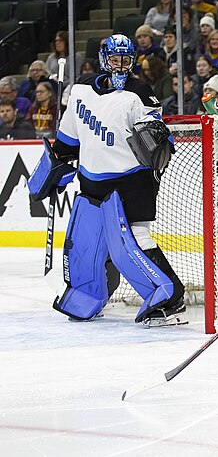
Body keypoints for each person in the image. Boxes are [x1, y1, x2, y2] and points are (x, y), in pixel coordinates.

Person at [28, 34, 185, 326]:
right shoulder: (81, 90)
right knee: (87, 243)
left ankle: (170, 297)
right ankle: (86, 294)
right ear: (104, 59)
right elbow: (68, 140)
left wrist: (160, 137)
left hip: (132, 182)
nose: (121, 65)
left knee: (133, 240)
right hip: (92, 181)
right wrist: (55, 166)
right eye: (115, 59)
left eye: (126, 59)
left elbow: (156, 140)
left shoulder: (140, 93)